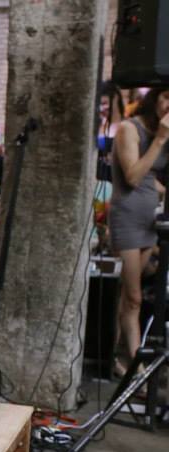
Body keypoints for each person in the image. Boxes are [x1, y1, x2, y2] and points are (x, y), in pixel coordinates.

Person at [110, 85, 169, 371]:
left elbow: (154, 179)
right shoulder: (129, 129)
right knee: (133, 296)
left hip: (149, 220)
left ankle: (122, 358)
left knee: (131, 297)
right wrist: (159, 140)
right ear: (155, 98)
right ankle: (136, 367)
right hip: (128, 217)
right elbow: (133, 176)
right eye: (167, 97)